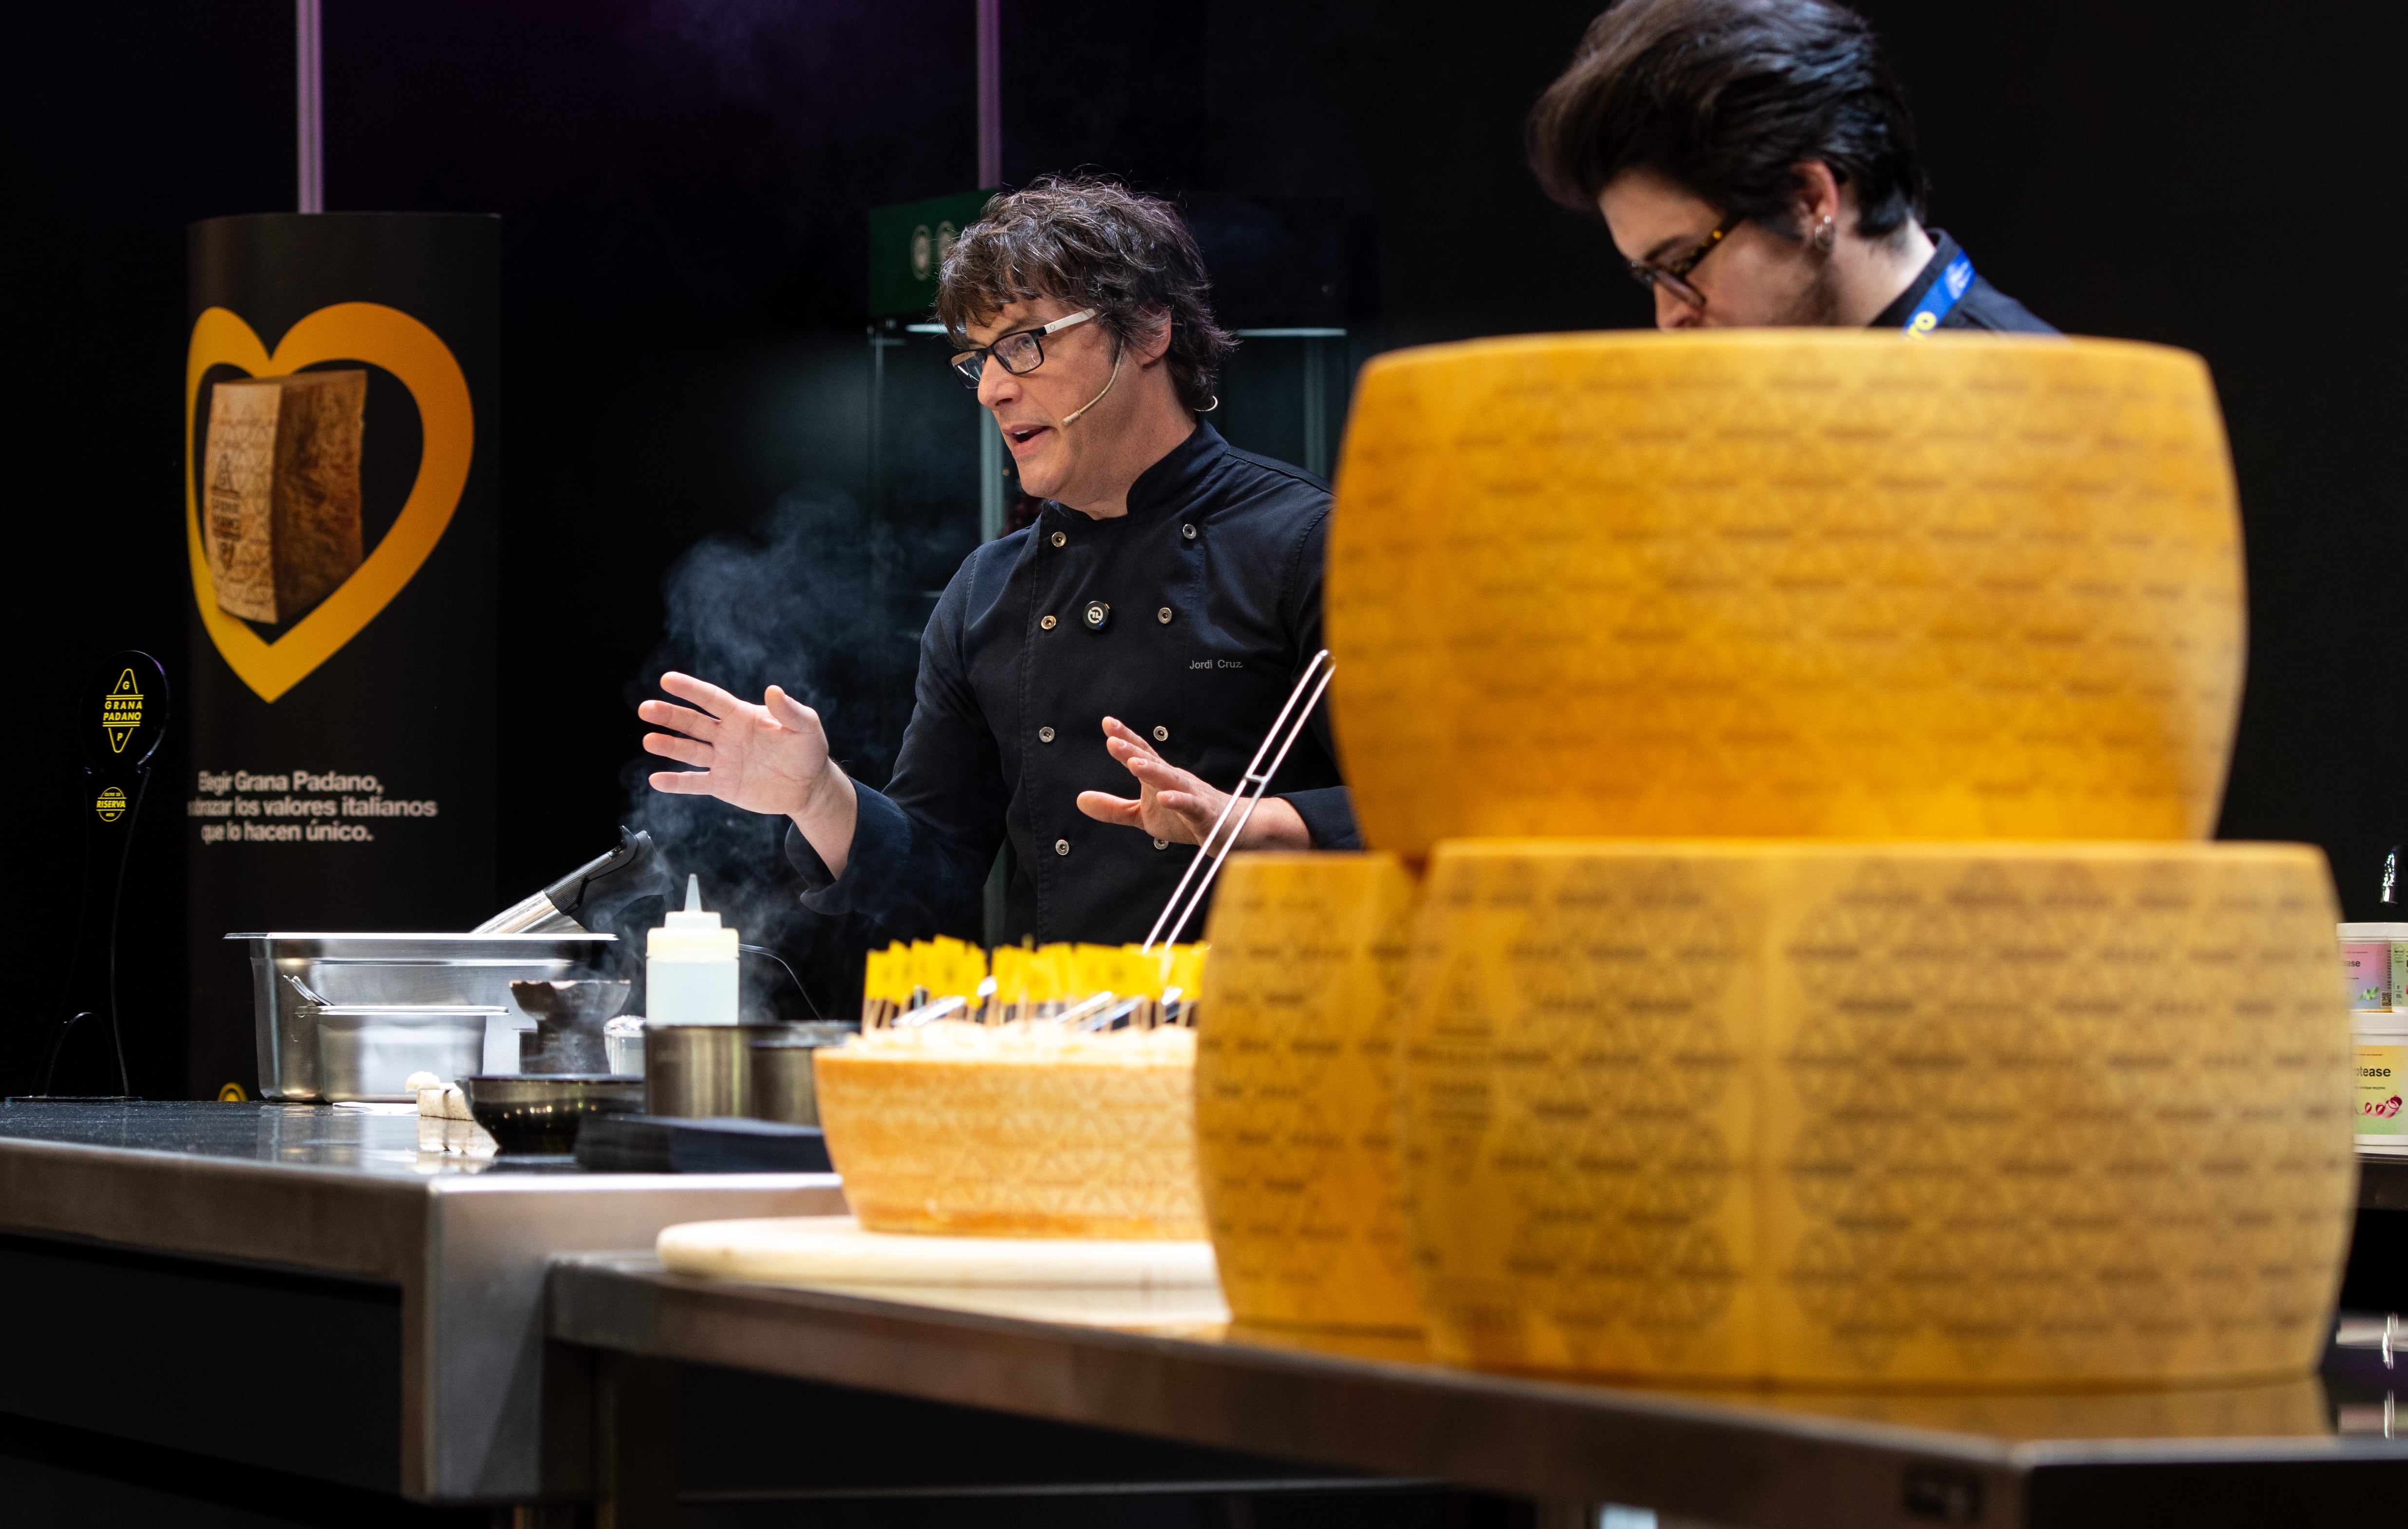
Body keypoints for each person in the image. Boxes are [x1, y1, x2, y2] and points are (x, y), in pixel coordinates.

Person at [637, 176, 1359, 947]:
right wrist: (818, 796)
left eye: (1023, 343)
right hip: (1053, 1046)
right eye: (978, 358)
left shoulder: (1311, 544)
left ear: (1150, 329)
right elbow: (932, 880)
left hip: (1271, 1040)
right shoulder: (987, 592)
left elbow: (1455, 813)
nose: (990, 389)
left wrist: (1254, 822)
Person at [1526, 0, 2054, 335]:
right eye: (1651, 277)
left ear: (1806, 199)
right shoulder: (1803, 401)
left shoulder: (2035, 416)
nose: (1669, 318)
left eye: (1684, 263)